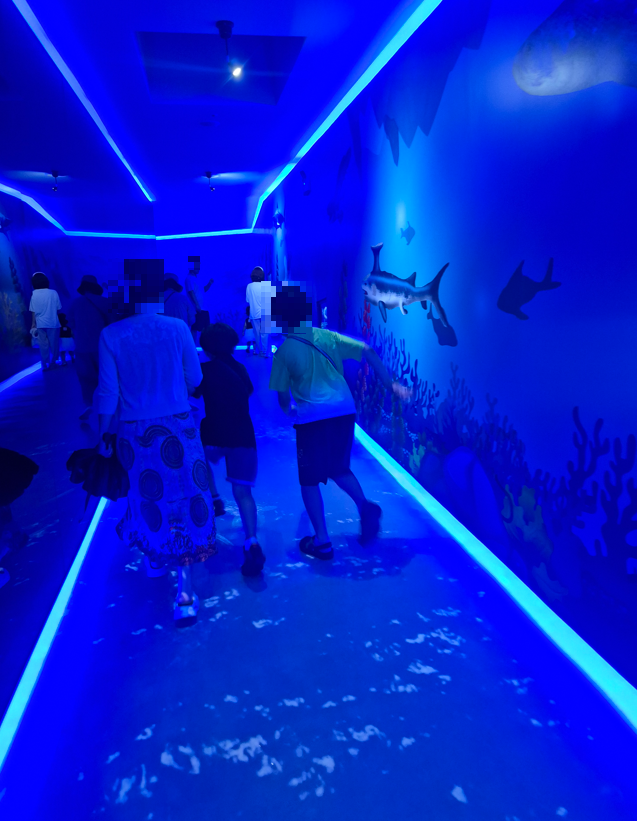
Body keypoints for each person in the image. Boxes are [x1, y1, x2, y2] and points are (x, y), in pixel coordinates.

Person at [97, 262, 216, 625]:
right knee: (185, 498)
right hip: (179, 429)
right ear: (159, 292)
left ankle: (155, 558)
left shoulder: (111, 335)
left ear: (128, 291)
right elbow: (195, 379)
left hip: (135, 435)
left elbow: (108, 395)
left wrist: (103, 437)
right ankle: (185, 594)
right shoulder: (177, 328)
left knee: (147, 497)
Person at [269, 283, 411, 559]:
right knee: (338, 467)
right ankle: (365, 506)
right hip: (345, 411)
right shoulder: (327, 337)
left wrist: (290, 411)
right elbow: (367, 350)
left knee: (309, 480)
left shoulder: (284, 352)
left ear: (280, 318)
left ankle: (322, 542)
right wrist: (390, 384)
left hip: (313, 418)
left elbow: (283, 397)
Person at [194, 323, 265, 577]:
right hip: (243, 436)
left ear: (206, 348)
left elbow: (192, 393)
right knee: (243, 492)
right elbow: (248, 392)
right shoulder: (241, 369)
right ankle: (252, 542)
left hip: (213, 434)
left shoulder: (203, 370)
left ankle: (214, 498)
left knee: (197, 458)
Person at [66, 275, 110, 419]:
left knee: (85, 378)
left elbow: (71, 324)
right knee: (107, 377)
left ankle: (88, 404)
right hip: (103, 347)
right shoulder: (104, 302)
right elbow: (113, 323)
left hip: (82, 348)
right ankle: (109, 405)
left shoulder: (75, 304)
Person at [29, 272, 62, 370]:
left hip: (40, 323)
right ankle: (54, 361)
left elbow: (33, 311)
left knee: (43, 345)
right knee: (54, 344)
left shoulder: (34, 294)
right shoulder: (53, 293)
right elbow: (58, 308)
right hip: (53, 322)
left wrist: (33, 324)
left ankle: (45, 364)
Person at [246, 267, 271, 357]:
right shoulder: (267, 285)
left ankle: (260, 351)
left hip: (254, 314)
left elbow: (248, 300)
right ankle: (265, 352)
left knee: (257, 334)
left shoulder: (249, 286)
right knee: (265, 334)